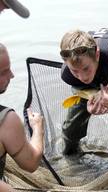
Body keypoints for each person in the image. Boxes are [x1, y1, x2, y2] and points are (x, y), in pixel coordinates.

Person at [0, 44, 44, 190]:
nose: (12, 75)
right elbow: (30, 163)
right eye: (3, 72)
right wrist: (38, 128)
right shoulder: (7, 121)